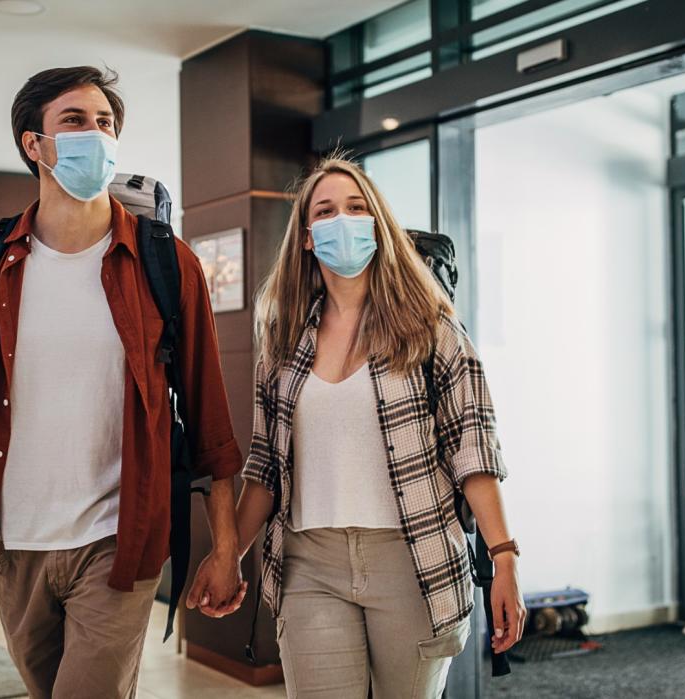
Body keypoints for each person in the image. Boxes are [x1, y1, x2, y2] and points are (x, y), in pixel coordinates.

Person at [0, 66, 245, 699]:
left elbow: (209, 420)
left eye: (105, 123)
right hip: (14, 542)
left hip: (119, 540)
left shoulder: (166, 262)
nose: (95, 134)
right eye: (74, 121)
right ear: (31, 144)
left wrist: (225, 546)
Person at [190, 155, 526, 698]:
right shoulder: (282, 340)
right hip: (309, 564)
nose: (342, 220)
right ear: (305, 237)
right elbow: (265, 468)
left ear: (378, 225)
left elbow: (474, 451)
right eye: (325, 210)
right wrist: (228, 553)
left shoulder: (431, 327)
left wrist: (503, 556)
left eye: (356, 207)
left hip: (412, 559)